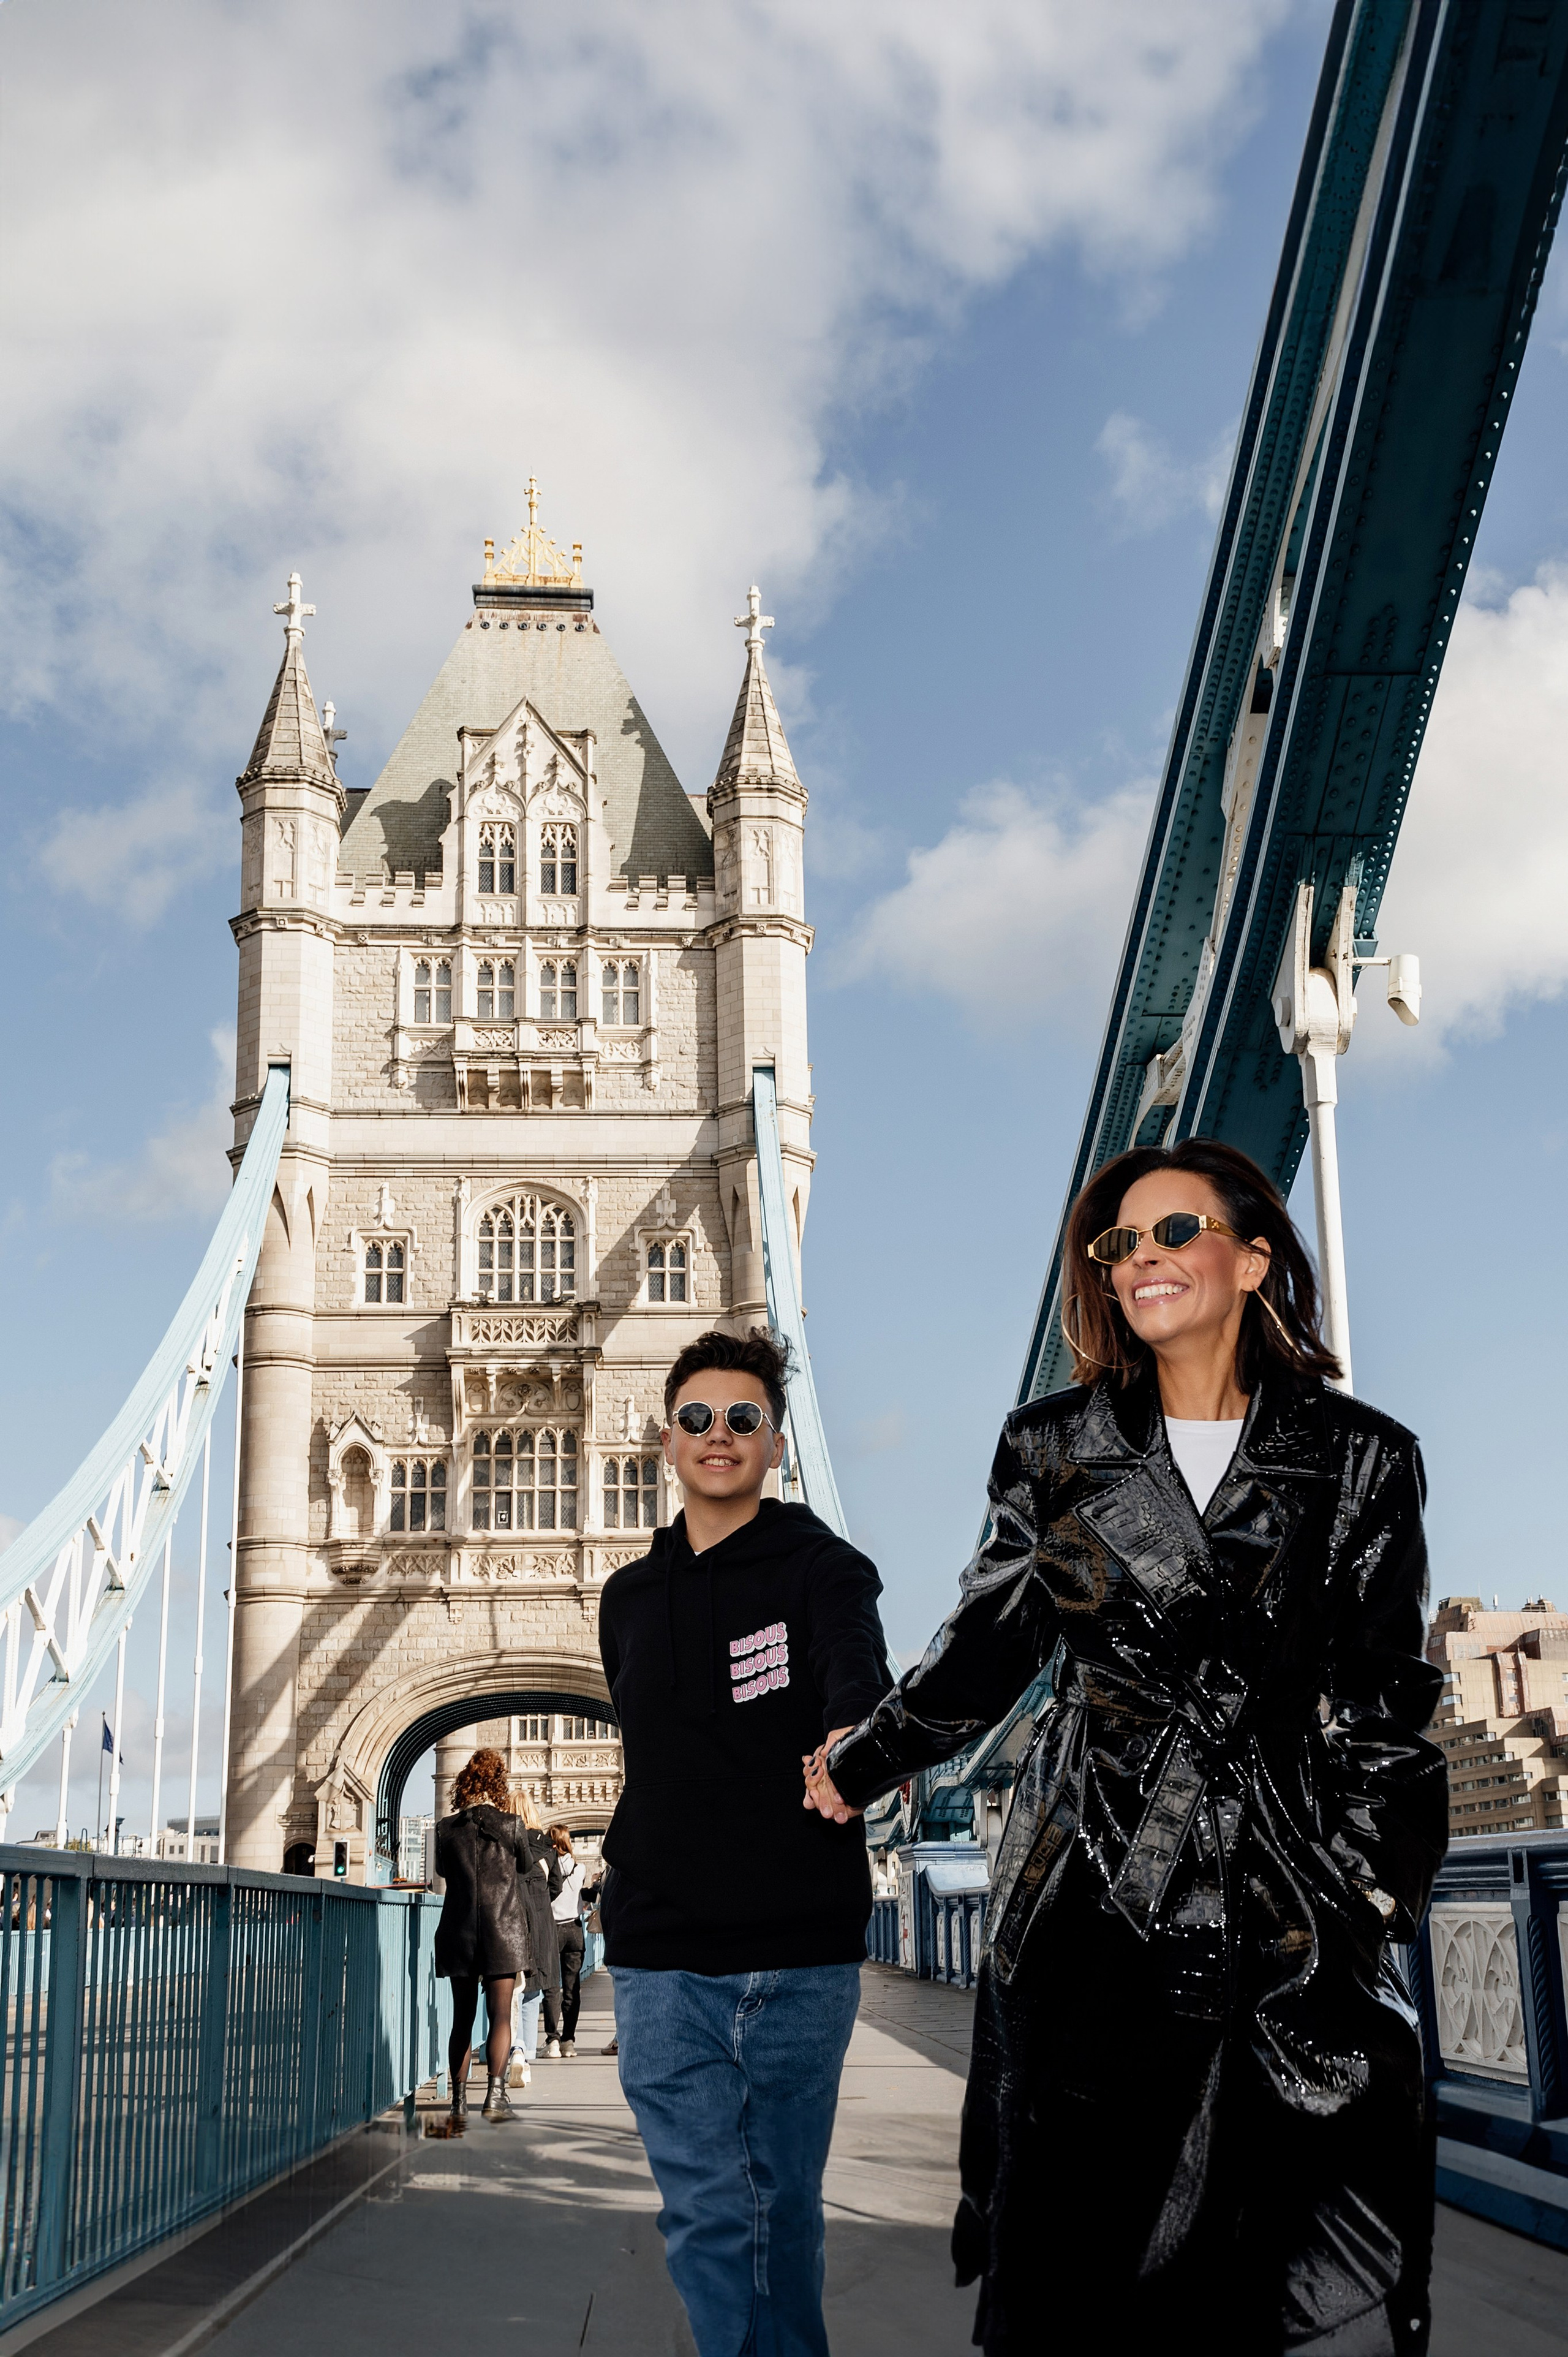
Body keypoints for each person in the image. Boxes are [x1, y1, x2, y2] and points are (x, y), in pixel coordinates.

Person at [805, 1139, 1447, 2357]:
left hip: (1292, 1905)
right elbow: (983, 1651)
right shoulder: (1052, 1447)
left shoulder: (1363, 1455)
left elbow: (1386, 1703)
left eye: (1174, 1231)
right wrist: (860, 1761)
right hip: (1097, 1889)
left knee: (1316, 2283)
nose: (1141, 1258)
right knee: (1082, 2282)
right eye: (1118, 1244)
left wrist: (1364, 1896)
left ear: (1253, 1258)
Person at [599, 1327, 891, 2357]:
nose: (717, 1433)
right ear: (667, 1440)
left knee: (782, 2208)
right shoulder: (626, 1598)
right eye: (696, 1417)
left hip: (796, 1946)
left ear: (775, 1443)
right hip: (659, 1952)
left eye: (742, 1417)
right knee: (707, 2212)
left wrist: (855, 1736)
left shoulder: (827, 1568)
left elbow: (854, 1665)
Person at [433, 1748, 540, 2124]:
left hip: (458, 1931)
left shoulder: (446, 1828)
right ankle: (495, 2097)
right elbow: (526, 1865)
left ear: (464, 1783)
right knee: (500, 2018)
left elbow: (442, 1871)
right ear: (499, 1784)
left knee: (462, 2019)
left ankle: (458, 2101)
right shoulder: (511, 1825)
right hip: (503, 1931)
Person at [507, 1786, 562, 2079]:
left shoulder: (505, 1844)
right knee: (533, 1992)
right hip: (542, 1922)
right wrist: (539, 1902)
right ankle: (526, 2055)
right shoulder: (548, 1847)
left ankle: (514, 2048)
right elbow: (557, 1886)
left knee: (511, 1990)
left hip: (511, 1920)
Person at [542, 1823, 586, 2057]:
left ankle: (553, 2040)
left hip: (553, 1929)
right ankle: (569, 2041)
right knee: (572, 1989)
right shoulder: (580, 1869)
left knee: (552, 1988)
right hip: (575, 1931)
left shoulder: (546, 1867)